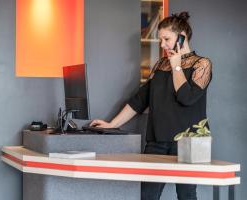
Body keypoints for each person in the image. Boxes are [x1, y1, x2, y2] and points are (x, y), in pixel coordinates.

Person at [90, 11, 212, 200]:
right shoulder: (159, 65)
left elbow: (186, 97)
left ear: (182, 37)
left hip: (188, 143)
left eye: (166, 39)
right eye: (160, 40)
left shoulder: (202, 64)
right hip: (157, 142)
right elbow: (139, 100)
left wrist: (177, 66)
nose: (162, 45)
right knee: (147, 196)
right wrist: (112, 124)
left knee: (186, 195)